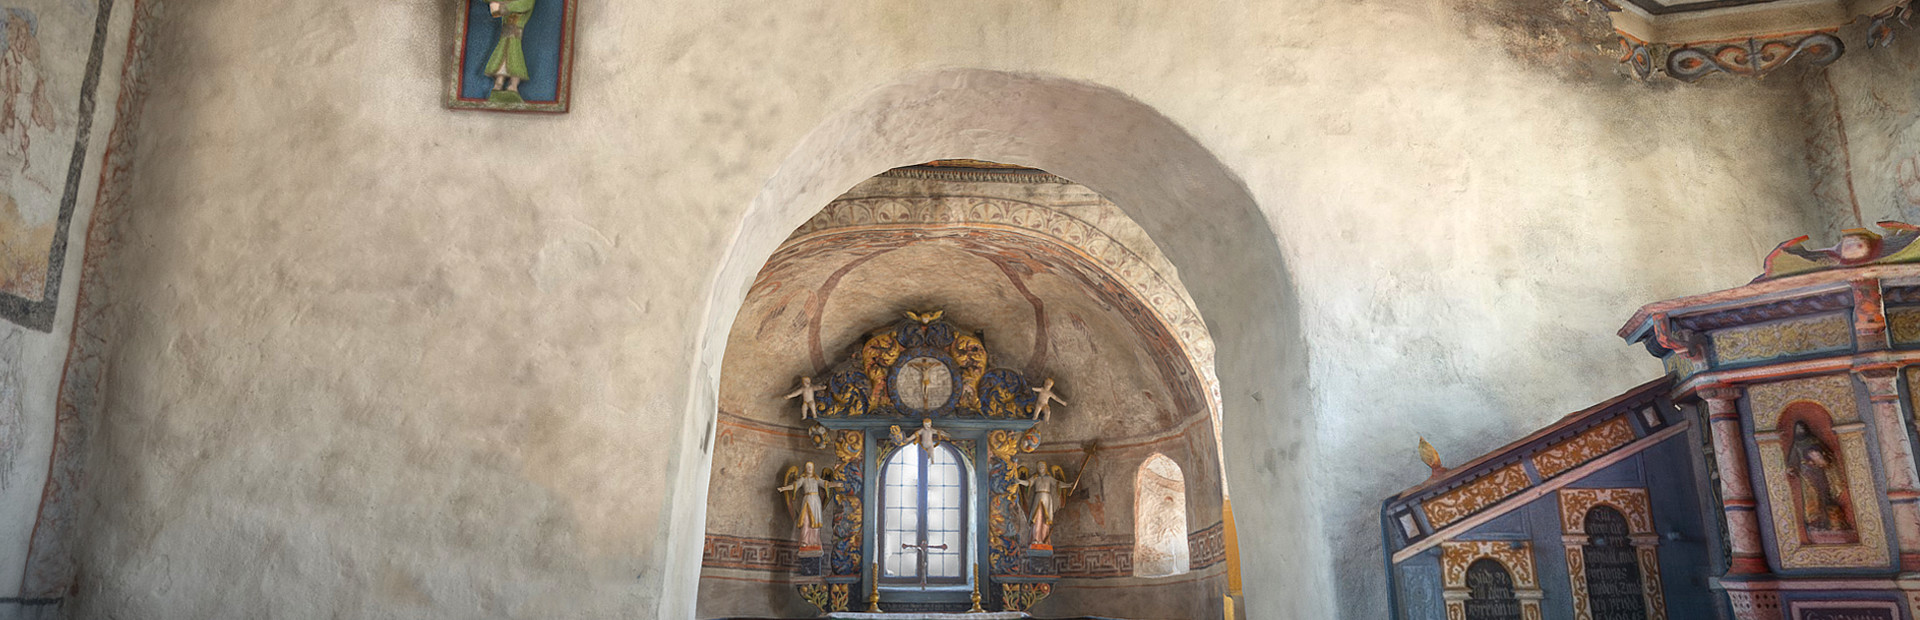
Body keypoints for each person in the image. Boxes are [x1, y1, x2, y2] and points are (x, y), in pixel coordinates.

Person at [777, 462, 842, 548]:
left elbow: (826, 484)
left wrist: (836, 484)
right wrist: (784, 488)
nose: (809, 469)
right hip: (807, 500)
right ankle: (805, 540)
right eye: (808, 467)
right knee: (805, 521)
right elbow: (794, 486)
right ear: (805, 469)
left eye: (811, 467)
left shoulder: (816, 479)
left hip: (815, 501)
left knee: (815, 521)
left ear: (813, 468)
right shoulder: (803, 479)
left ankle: (815, 541)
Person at [482, 0, 536, 102]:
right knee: (501, 55)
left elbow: (524, 4)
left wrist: (504, 7)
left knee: (515, 57)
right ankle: (499, 81)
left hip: (516, 32)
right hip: (505, 32)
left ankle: (513, 85)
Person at [1015, 460, 1076, 546]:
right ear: (1037, 468)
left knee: (1045, 520)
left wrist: (1068, 485)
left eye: (1042, 466)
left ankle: (1044, 540)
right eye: (1039, 466)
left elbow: (1057, 484)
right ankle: (1035, 539)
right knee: (1036, 519)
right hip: (1038, 498)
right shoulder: (1035, 478)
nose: (1041, 468)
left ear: (1045, 468)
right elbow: (1028, 483)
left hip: (1047, 499)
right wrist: (1020, 481)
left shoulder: (1049, 478)